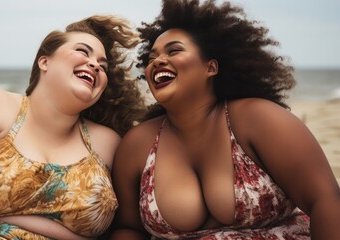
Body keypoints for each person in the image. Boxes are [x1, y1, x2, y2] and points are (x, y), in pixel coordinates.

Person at [110, 0, 340, 239]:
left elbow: (325, 200)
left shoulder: (258, 118)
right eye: (151, 57)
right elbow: (128, 228)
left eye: (174, 50)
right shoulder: (137, 144)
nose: (157, 61)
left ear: (211, 68)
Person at [0, 15, 146, 239]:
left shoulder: (107, 143)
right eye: (82, 51)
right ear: (44, 61)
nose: (95, 64)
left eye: (102, 66)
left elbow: (124, 226)